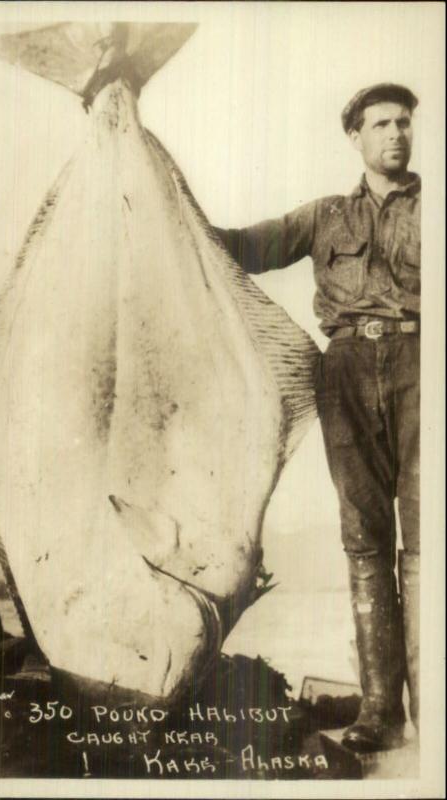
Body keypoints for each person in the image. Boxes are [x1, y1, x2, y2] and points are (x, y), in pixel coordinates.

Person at [214, 83, 420, 753]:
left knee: (425, 545)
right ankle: (382, 714)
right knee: (364, 543)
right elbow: (243, 247)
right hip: (345, 376)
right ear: (355, 137)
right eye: (381, 123)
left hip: (426, 372)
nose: (396, 133)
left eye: (404, 122)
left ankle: (433, 713)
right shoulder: (325, 216)